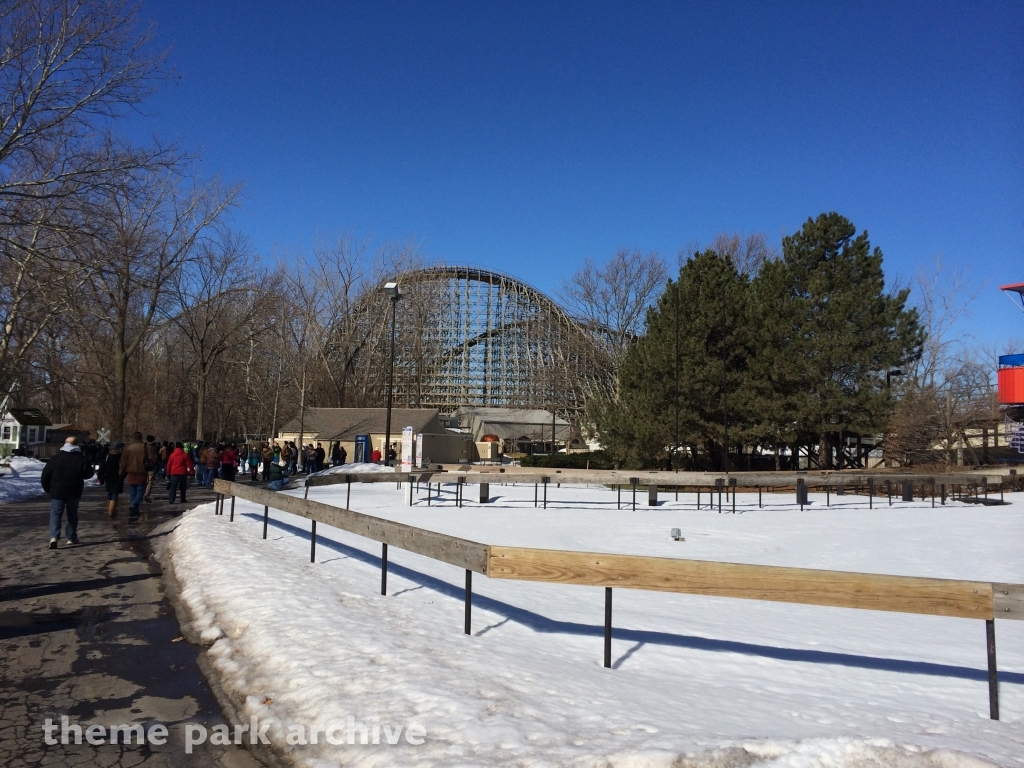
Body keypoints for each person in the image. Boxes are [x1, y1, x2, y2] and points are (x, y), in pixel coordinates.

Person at [40, 436, 94, 548]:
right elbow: (88, 474)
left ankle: (54, 537)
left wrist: (47, 488)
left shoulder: (55, 459)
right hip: (74, 490)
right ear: (76, 445)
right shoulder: (80, 459)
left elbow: (45, 475)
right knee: (72, 514)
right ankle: (71, 537)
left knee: (56, 514)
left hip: (57, 491)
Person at [120, 431, 149, 518]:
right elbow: (152, 458)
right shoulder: (145, 447)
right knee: (140, 491)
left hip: (131, 471)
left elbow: (123, 461)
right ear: (141, 437)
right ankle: (133, 505)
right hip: (142, 471)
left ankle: (134, 510)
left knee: (132, 492)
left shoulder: (128, 448)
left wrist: (121, 471)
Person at [103, 442, 125, 518]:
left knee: (110, 492)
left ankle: (109, 509)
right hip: (117, 475)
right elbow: (122, 467)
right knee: (115, 492)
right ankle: (111, 511)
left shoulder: (109, 455)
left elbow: (105, 465)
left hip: (108, 475)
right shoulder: (121, 456)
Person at [143, 435, 159, 503]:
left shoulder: (143, 446)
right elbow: (155, 457)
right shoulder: (153, 448)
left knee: (143, 481)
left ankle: (141, 494)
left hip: (143, 465)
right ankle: (147, 496)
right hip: (151, 465)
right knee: (150, 481)